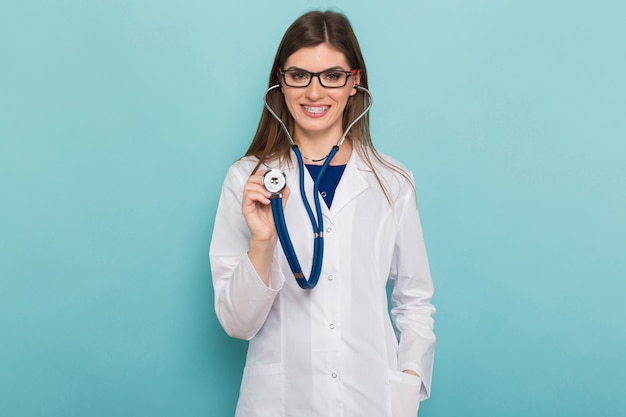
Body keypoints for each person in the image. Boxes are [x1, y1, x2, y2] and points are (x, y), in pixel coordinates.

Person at [209, 10, 435, 417]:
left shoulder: (392, 180)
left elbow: (415, 299)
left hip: (371, 397)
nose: (314, 93)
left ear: (354, 81)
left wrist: (409, 376)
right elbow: (237, 324)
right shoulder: (248, 179)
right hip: (280, 403)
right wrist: (262, 243)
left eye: (331, 75)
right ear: (280, 81)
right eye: (299, 75)